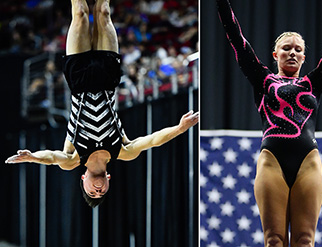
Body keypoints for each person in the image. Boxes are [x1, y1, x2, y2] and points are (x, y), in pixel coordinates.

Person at [6, 0, 199, 208]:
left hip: (79, 81)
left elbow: (52, 157)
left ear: (83, 180)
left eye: (91, 192)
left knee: (80, 13)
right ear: (108, 181)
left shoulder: (73, 159)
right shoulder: (123, 152)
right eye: (101, 193)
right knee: (104, 12)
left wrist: (33, 157)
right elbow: (152, 141)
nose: (97, 190)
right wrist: (179, 129)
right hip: (108, 79)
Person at [216, 0, 322, 246]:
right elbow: (236, 38)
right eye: (287, 48)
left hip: (308, 161)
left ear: (304, 57)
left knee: (305, 240)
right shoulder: (263, 80)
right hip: (272, 160)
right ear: (276, 54)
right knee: (274, 239)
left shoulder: (312, 83)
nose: (292, 53)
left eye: (298, 49)